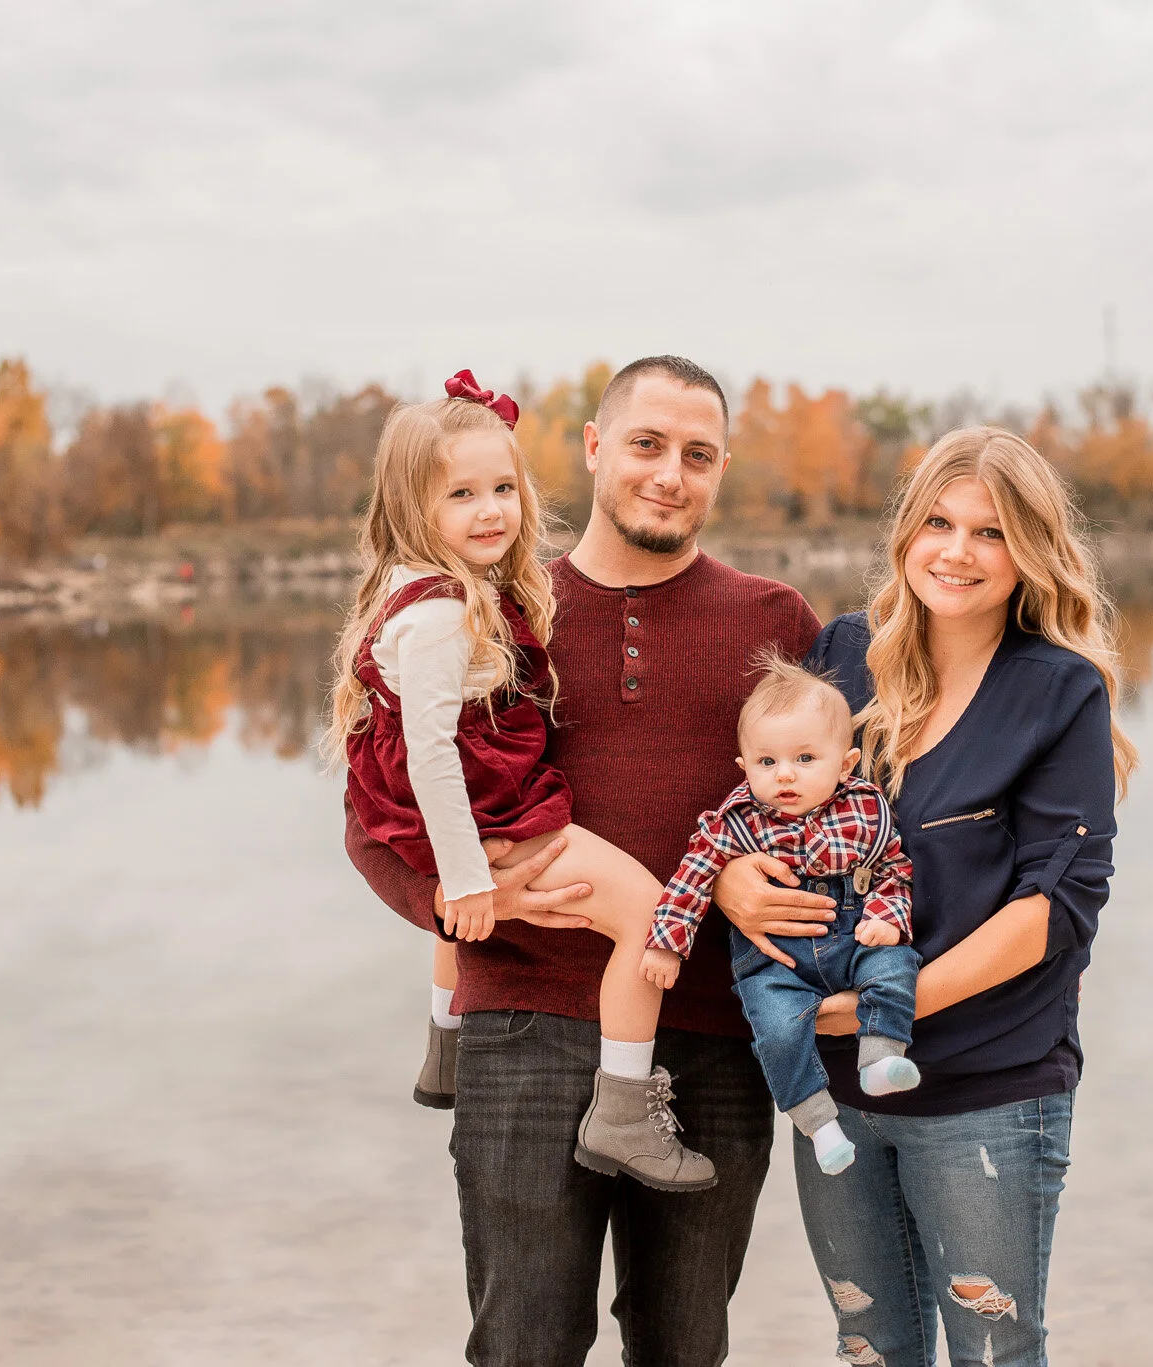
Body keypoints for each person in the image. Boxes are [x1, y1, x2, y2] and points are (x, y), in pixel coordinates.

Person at [343, 356, 823, 1366]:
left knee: (683, 1344)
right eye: (645, 444)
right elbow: (371, 801)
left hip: (712, 1033)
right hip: (521, 1024)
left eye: (697, 454)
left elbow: (840, 800)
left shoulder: (774, 620)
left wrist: (749, 875)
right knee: (524, 1341)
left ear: (720, 468)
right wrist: (449, 899)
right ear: (596, 449)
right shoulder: (495, 607)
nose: (669, 473)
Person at [711, 428, 1135, 1367]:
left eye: (990, 532)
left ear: (1030, 548)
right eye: (938, 522)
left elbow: (1053, 910)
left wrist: (887, 1007)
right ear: (906, 532)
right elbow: (766, 796)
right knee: (869, 1347)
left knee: (994, 1353)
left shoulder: (1058, 692)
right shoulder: (845, 655)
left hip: (986, 1086)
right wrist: (733, 881)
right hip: (837, 1089)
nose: (957, 550)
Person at [327, 369, 714, 1190]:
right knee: (650, 911)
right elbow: (433, 754)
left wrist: (454, 875)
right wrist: (464, 880)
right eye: (462, 494)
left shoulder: (446, 592)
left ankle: (444, 1046)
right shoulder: (439, 614)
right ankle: (623, 1111)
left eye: (503, 487)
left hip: (450, 796)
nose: (493, 510)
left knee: (463, 890)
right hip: (478, 796)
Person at [640, 656, 922, 1177]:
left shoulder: (865, 809)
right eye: (767, 762)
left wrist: (886, 917)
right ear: (744, 767)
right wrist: (666, 942)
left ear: (846, 763)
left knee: (896, 967)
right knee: (776, 1029)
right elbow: (691, 879)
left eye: (806, 758)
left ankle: (880, 1060)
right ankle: (819, 1125)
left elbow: (893, 871)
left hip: (855, 934)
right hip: (774, 959)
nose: (785, 774)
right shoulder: (735, 822)